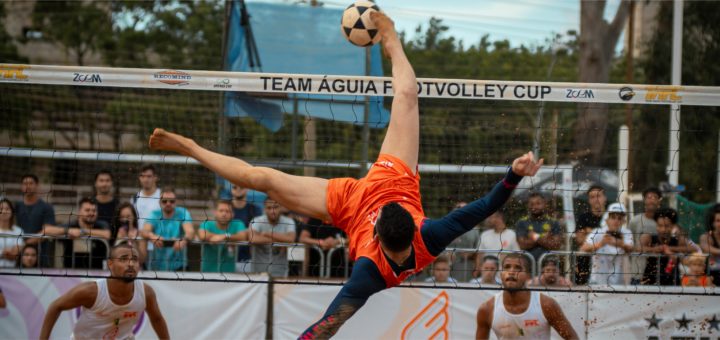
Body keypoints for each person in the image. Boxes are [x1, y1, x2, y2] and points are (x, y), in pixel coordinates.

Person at [147, 11, 541, 338]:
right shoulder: (431, 235)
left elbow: (327, 326)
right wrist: (513, 173)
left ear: (378, 237)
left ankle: (190, 147)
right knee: (406, 95)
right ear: (408, 223)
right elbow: (487, 205)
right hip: (396, 176)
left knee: (260, 178)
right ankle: (391, 39)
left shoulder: (368, 272)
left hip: (347, 205)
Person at [39, 244, 170, 340]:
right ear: (110, 264)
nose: (130, 264)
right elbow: (55, 306)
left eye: (135, 259)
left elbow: (157, 319)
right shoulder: (91, 291)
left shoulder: (146, 292)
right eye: (124, 259)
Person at [476, 253, 578, 340]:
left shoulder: (546, 305)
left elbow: (572, 338)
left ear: (527, 276)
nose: (511, 272)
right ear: (501, 274)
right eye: (507, 267)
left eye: (518, 268)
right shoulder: (487, 309)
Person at [141, 187, 195, 271]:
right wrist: (151, 236)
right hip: (157, 265)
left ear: (176, 202)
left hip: (179, 265)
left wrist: (184, 239)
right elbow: (144, 231)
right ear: (159, 202)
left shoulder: (182, 212)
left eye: (172, 201)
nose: (168, 203)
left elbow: (190, 232)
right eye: (164, 201)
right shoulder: (154, 214)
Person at [580, 203, 633, 285]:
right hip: (597, 282)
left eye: (619, 218)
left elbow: (631, 249)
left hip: (619, 284)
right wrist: (601, 244)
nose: (616, 221)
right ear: (607, 219)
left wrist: (620, 244)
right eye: (613, 217)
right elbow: (583, 248)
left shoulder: (626, 233)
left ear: (623, 221)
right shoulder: (597, 232)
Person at [640, 208, 694, 286]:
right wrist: (654, 249)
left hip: (672, 281)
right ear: (656, 224)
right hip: (650, 281)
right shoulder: (649, 237)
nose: (663, 229)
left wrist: (669, 249)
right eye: (660, 225)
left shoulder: (678, 239)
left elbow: (693, 248)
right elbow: (637, 248)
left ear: (673, 226)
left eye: (667, 226)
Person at [15, 174, 56, 266]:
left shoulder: (46, 207)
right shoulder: (16, 206)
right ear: (21, 187)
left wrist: (25, 244)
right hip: (18, 255)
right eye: (25, 183)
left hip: (41, 254)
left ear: (37, 186)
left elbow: (47, 231)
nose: (28, 186)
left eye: (31, 183)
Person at [198, 200, 250, 273]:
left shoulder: (238, 223)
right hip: (208, 272)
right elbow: (202, 235)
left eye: (227, 211)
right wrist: (224, 237)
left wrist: (225, 236)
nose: (224, 214)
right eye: (221, 211)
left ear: (233, 214)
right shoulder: (207, 223)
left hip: (229, 273)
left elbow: (243, 237)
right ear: (215, 212)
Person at [248, 198, 296, 277]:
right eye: (269, 208)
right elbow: (252, 238)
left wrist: (268, 234)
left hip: (280, 271)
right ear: (264, 209)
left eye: (276, 207)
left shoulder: (289, 222)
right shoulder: (256, 220)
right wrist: (281, 240)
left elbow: (291, 239)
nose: (272, 211)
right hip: (258, 271)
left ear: (281, 207)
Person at [515, 192, 563, 262]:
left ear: (545, 204)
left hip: (549, 264)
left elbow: (556, 245)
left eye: (538, 203)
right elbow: (522, 245)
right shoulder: (522, 222)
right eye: (531, 204)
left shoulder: (553, 222)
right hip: (527, 263)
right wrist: (545, 239)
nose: (534, 207)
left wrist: (535, 237)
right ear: (528, 205)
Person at [573, 185, 607, 285]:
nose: (596, 199)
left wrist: (589, 232)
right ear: (589, 200)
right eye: (592, 197)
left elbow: (614, 237)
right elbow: (579, 240)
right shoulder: (583, 217)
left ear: (604, 198)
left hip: (607, 261)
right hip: (586, 261)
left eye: (598, 196)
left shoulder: (612, 216)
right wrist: (602, 238)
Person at [627, 188, 662, 283]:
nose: (651, 200)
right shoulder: (634, 221)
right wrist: (651, 249)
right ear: (644, 200)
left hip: (660, 274)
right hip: (638, 273)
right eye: (648, 197)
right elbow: (630, 246)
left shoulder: (664, 223)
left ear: (659, 201)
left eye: (655, 197)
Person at [228, 184, 263, 273]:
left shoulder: (255, 209)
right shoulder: (224, 208)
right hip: (226, 259)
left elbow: (258, 232)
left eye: (241, 186)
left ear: (247, 189)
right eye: (234, 187)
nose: (238, 189)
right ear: (231, 189)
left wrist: (231, 236)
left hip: (249, 259)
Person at [446, 201, 482, 282]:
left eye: (465, 208)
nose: (461, 210)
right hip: (446, 265)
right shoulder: (446, 226)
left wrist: (476, 266)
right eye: (458, 208)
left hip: (465, 266)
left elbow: (478, 251)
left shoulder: (475, 229)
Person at [133, 164, 161, 232]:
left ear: (155, 177)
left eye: (149, 176)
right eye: (142, 176)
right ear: (139, 178)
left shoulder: (163, 197)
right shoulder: (134, 198)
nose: (145, 179)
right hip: (138, 239)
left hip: (157, 239)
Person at [700, 204, 720, 285]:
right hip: (710, 276)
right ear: (712, 222)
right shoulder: (706, 237)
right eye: (718, 221)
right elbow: (706, 248)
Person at [0, 198, 23, 268]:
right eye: (1, 209)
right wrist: (4, 252)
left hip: (12, 271)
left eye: (7, 209)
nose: (4, 211)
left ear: (12, 212)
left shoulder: (18, 231)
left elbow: (15, 255)